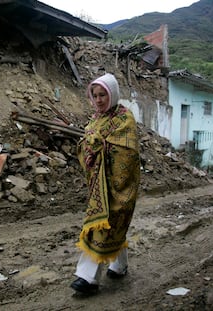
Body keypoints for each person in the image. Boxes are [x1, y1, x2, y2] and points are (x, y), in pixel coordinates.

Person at [70, 73, 140, 294]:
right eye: (95, 95)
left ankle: (87, 278)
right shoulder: (95, 119)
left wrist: (101, 147)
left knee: (101, 225)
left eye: (103, 95)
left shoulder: (124, 119)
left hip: (120, 186)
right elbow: (85, 145)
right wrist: (89, 147)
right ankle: (119, 266)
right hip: (98, 186)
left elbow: (128, 154)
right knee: (114, 226)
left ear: (113, 94)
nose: (99, 100)